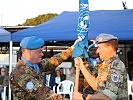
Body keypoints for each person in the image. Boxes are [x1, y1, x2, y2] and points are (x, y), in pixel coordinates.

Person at [10, 36, 74, 100]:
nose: (42, 54)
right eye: (39, 51)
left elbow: (53, 61)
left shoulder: (34, 66)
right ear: (28, 52)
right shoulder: (21, 73)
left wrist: (71, 49)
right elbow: (43, 94)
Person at [73, 33, 128, 100]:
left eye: (99, 48)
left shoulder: (116, 64)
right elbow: (96, 86)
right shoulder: (104, 64)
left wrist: (84, 97)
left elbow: (109, 96)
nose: (97, 51)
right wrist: (82, 66)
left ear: (109, 48)